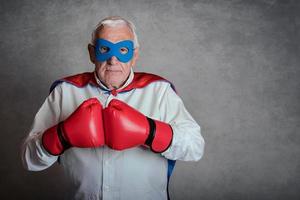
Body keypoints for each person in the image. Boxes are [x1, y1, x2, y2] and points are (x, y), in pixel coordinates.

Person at [21, 16, 205, 200]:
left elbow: (195, 148)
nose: (113, 60)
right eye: (104, 49)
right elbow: (30, 160)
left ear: (134, 55)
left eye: (123, 50)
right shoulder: (65, 91)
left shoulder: (159, 91)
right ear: (92, 53)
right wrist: (62, 135)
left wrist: (150, 132)